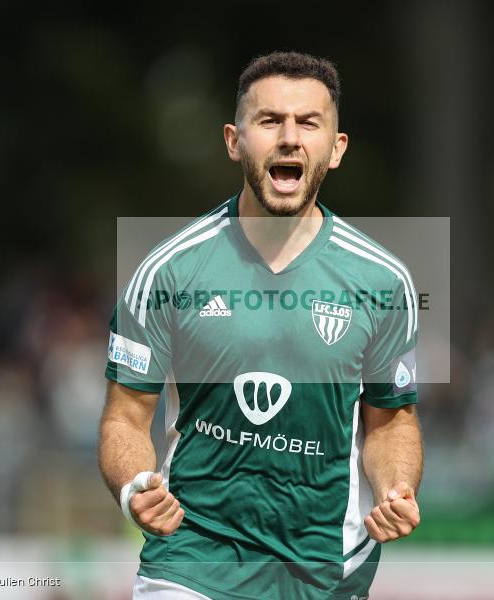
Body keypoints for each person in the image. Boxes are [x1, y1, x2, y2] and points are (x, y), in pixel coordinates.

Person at [99, 51, 423, 599]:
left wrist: (396, 487)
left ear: (336, 149)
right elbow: (126, 417)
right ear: (234, 140)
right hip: (192, 554)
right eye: (269, 121)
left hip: (328, 566)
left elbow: (391, 422)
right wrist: (135, 485)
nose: (289, 138)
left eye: (308, 123)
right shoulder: (167, 271)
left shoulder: (384, 281)